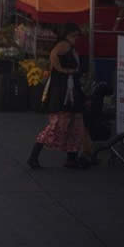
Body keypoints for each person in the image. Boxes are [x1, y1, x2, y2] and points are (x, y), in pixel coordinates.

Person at [27, 24, 89, 170]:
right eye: (74, 35)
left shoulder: (67, 46)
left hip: (70, 88)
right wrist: (64, 71)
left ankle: (71, 158)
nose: (75, 39)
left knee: (75, 124)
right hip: (64, 90)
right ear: (67, 35)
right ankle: (34, 156)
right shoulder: (63, 46)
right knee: (58, 124)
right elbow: (53, 58)